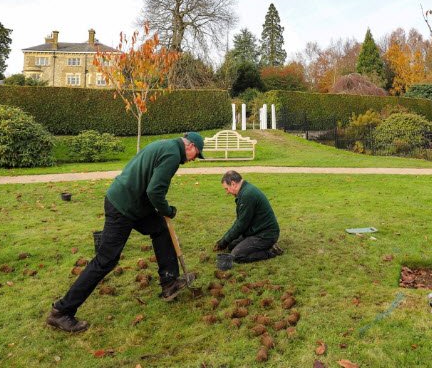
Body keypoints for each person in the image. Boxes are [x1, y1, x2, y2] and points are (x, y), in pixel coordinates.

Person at [46, 132, 205, 333]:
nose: (192, 160)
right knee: (106, 260)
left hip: (134, 204)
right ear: (190, 146)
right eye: (195, 155)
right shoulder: (173, 155)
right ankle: (61, 311)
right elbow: (155, 191)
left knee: (160, 228)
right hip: (123, 207)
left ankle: (170, 282)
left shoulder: (164, 145)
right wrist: (167, 210)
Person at [213, 170, 283, 263]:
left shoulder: (247, 195)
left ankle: (270, 251)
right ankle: (264, 247)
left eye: (227, 188)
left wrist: (223, 242)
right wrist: (226, 241)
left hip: (265, 235)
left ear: (233, 184)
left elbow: (241, 225)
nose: (227, 192)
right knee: (231, 246)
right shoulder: (245, 190)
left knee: (236, 256)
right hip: (255, 231)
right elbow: (240, 222)